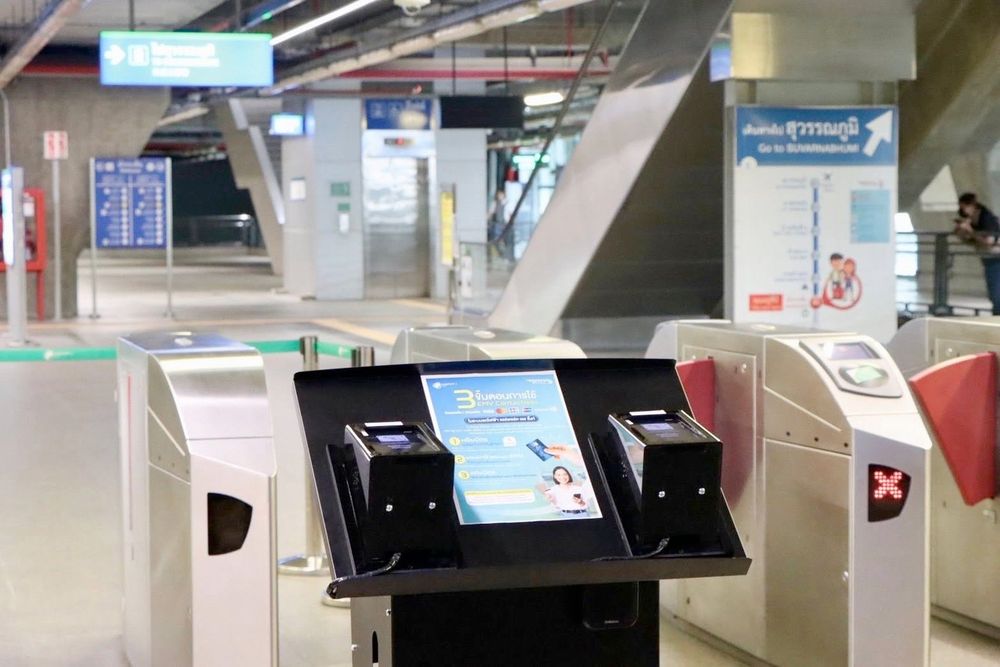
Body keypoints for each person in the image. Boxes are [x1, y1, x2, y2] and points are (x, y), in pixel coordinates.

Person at [955, 192, 1000, 314]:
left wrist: (970, 231)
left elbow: (988, 242)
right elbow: (973, 242)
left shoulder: (987, 219)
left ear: (972, 206)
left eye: (963, 207)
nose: (962, 210)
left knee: (996, 296)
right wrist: (962, 232)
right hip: (989, 260)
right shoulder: (975, 220)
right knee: (994, 294)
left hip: (996, 259)